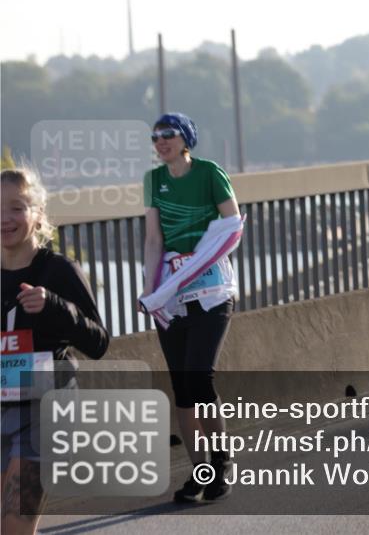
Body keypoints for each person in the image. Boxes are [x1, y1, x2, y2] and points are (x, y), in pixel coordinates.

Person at [140, 113, 242, 503]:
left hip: (212, 290)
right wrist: (150, 292)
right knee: (182, 387)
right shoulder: (153, 181)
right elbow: (153, 240)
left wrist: (198, 259)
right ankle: (197, 473)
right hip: (172, 295)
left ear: (186, 140)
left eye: (169, 134)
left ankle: (220, 462)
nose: (161, 141)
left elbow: (232, 224)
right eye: (155, 136)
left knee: (200, 377)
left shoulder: (209, 173)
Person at [1, 167, 109, 535]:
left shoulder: (58, 270)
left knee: (14, 524)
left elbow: (98, 343)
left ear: (38, 214)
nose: (5, 218)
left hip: (46, 408)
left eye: (16, 207)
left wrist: (55, 306)